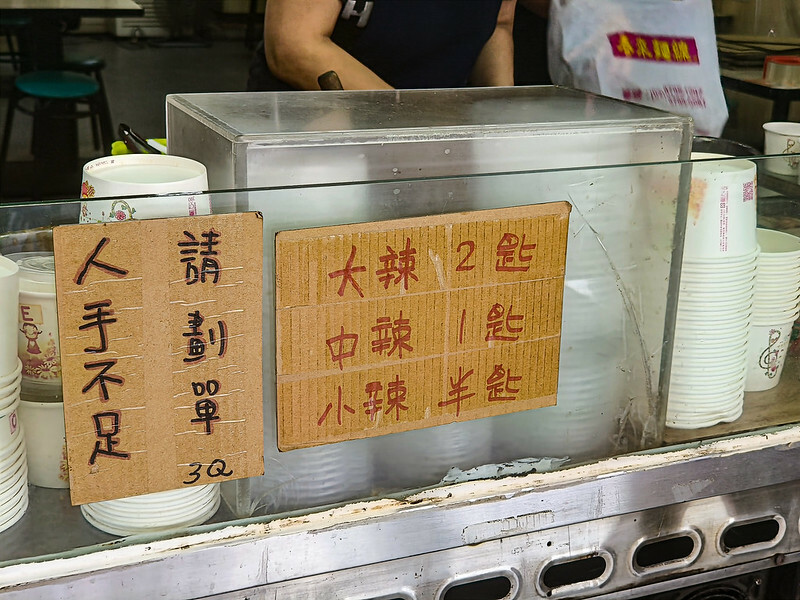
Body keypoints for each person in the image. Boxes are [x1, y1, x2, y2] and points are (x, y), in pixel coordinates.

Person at [247, 0, 516, 91]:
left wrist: (505, 135)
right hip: (317, 143)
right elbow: (294, 46)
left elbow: (499, 24)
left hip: (440, 140)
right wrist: (413, 129)